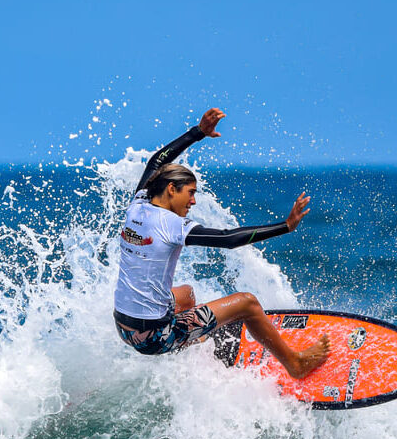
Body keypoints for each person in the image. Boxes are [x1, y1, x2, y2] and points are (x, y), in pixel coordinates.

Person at [114, 107, 330, 379]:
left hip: (124, 327)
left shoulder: (138, 204)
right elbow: (228, 239)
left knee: (186, 295)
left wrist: (197, 133)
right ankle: (296, 365)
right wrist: (285, 227)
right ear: (171, 189)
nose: (193, 201)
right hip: (152, 337)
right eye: (190, 193)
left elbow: (156, 162)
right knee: (247, 303)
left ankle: (195, 344)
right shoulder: (172, 225)